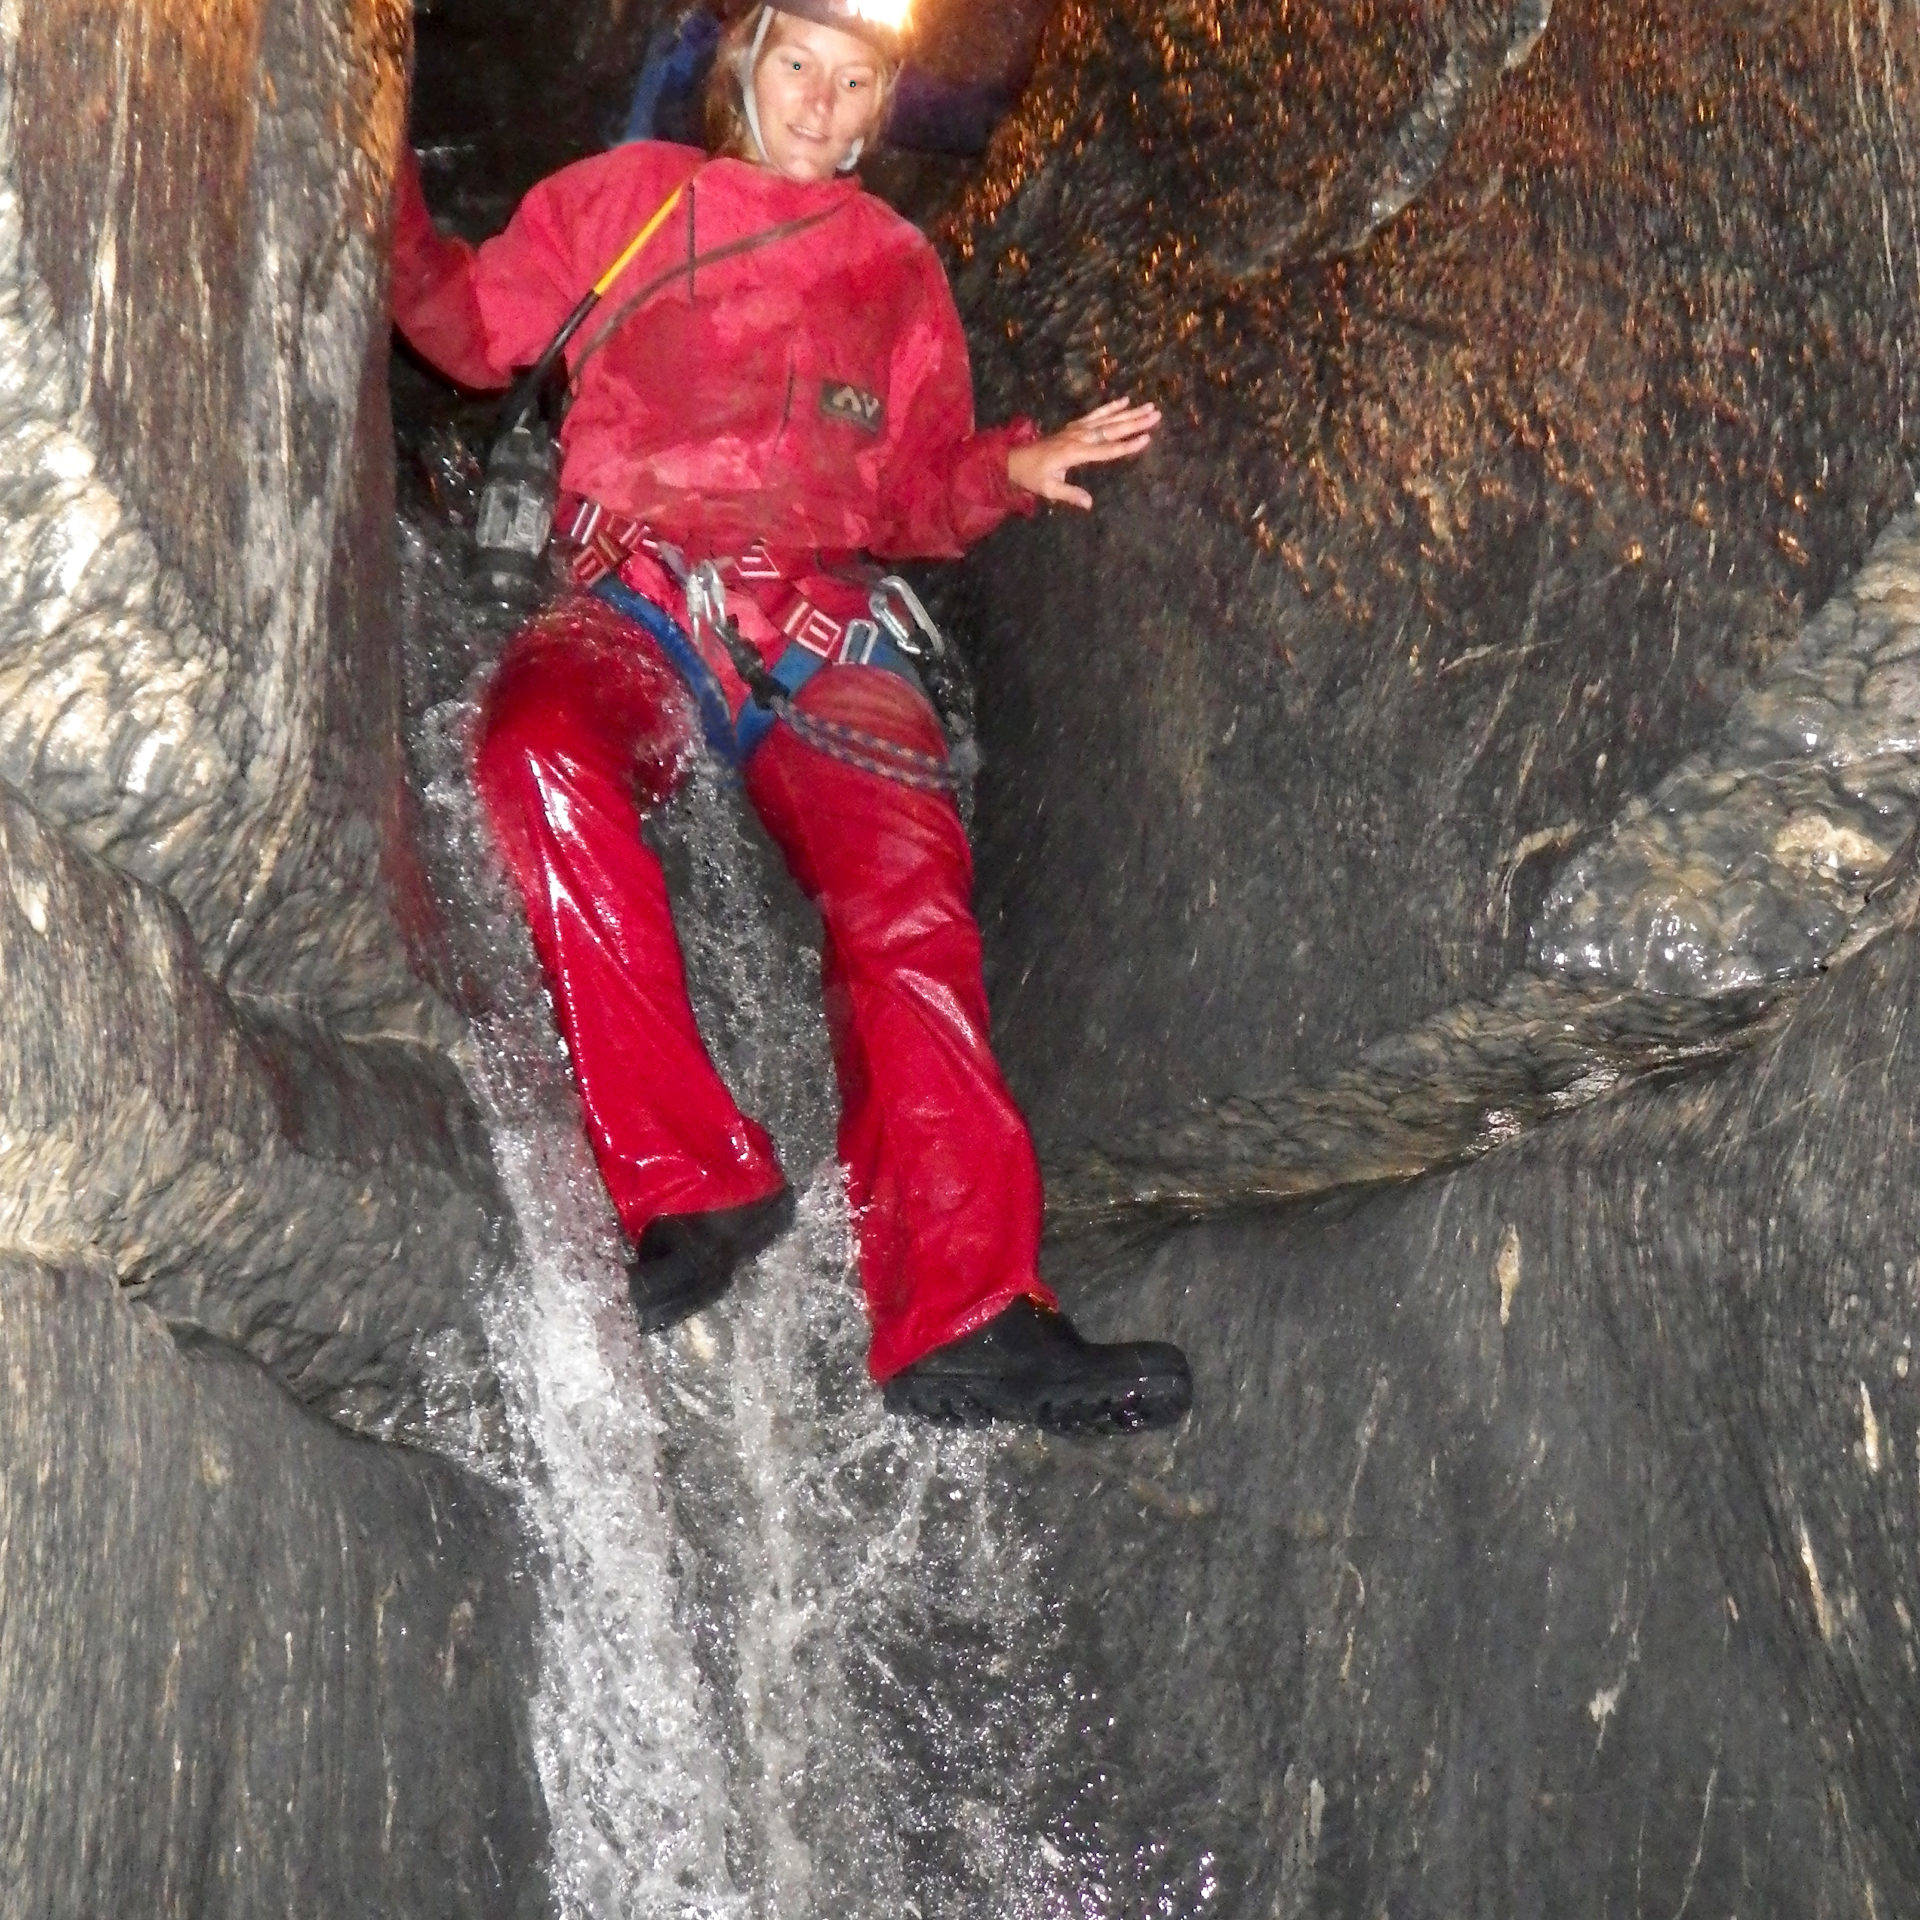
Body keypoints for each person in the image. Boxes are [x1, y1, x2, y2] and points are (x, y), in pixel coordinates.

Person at [391, 0, 1192, 1433]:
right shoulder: (629, 203)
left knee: (909, 901)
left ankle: (966, 1311)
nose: (821, 101)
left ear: (883, 104)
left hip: (819, 629)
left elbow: (913, 489)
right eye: (799, 63)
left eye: (857, 77)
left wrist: (1018, 467)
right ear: (745, 66)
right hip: (635, 602)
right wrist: (368, 164)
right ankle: (695, 1182)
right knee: (532, 749)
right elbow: (466, 326)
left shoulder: (895, 265)